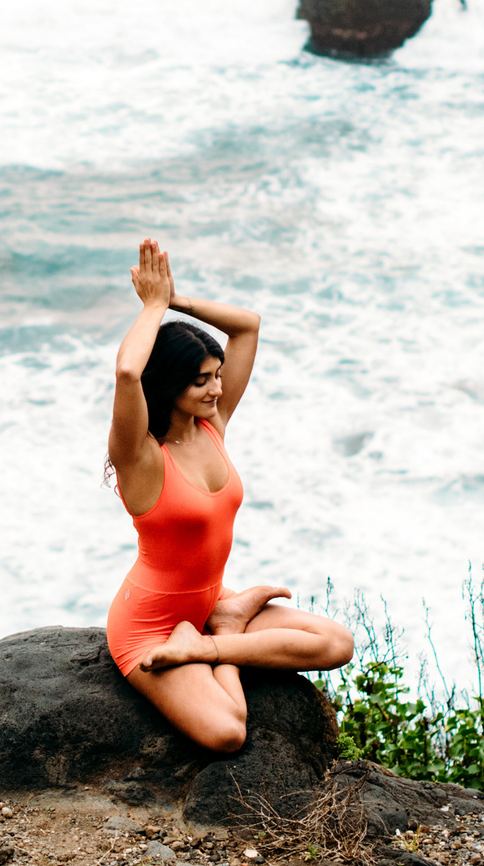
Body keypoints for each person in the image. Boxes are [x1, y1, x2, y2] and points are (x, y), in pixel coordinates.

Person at [105, 238, 353, 751]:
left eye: (218, 375)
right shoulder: (143, 458)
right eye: (202, 381)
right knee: (227, 731)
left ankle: (217, 637)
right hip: (150, 625)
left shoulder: (211, 425)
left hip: (211, 602)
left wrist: (174, 301)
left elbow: (248, 325)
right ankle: (221, 640)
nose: (218, 390)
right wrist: (151, 308)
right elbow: (129, 371)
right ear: (169, 385)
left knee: (337, 643)